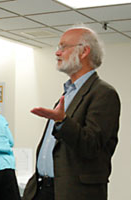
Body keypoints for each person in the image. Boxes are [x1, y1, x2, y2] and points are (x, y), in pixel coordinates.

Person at [22, 25, 121, 200]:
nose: (57, 53)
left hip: (74, 193)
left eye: (63, 47)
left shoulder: (104, 93)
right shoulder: (68, 93)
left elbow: (92, 146)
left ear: (84, 52)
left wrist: (62, 121)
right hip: (41, 190)